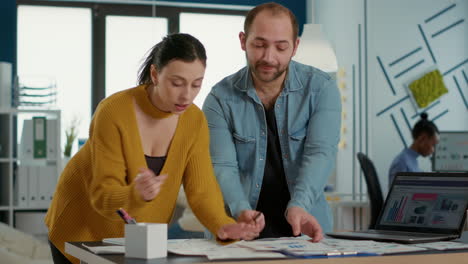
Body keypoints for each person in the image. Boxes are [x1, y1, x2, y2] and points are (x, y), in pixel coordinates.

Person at [45, 33, 262, 264]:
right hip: (81, 230)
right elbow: (102, 196)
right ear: (155, 74)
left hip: (137, 241)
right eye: (176, 83)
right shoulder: (113, 112)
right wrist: (134, 194)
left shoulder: (194, 121)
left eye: (196, 84)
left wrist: (223, 226)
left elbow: (201, 191)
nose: (186, 94)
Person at [202, 3, 341, 240]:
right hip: (239, 228)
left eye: (281, 47)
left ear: (295, 46)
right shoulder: (219, 99)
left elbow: (320, 153)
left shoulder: (321, 89)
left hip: (305, 225)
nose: (269, 57)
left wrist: (299, 205)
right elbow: (223, 166)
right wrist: (241, 210)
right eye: (259, 44)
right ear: (243, 41)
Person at [388, 112, 439, 185]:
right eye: (433, 145)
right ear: (422, 139)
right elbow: (397, 195)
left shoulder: (411, 161)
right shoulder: (403, 163)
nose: (433, 150)